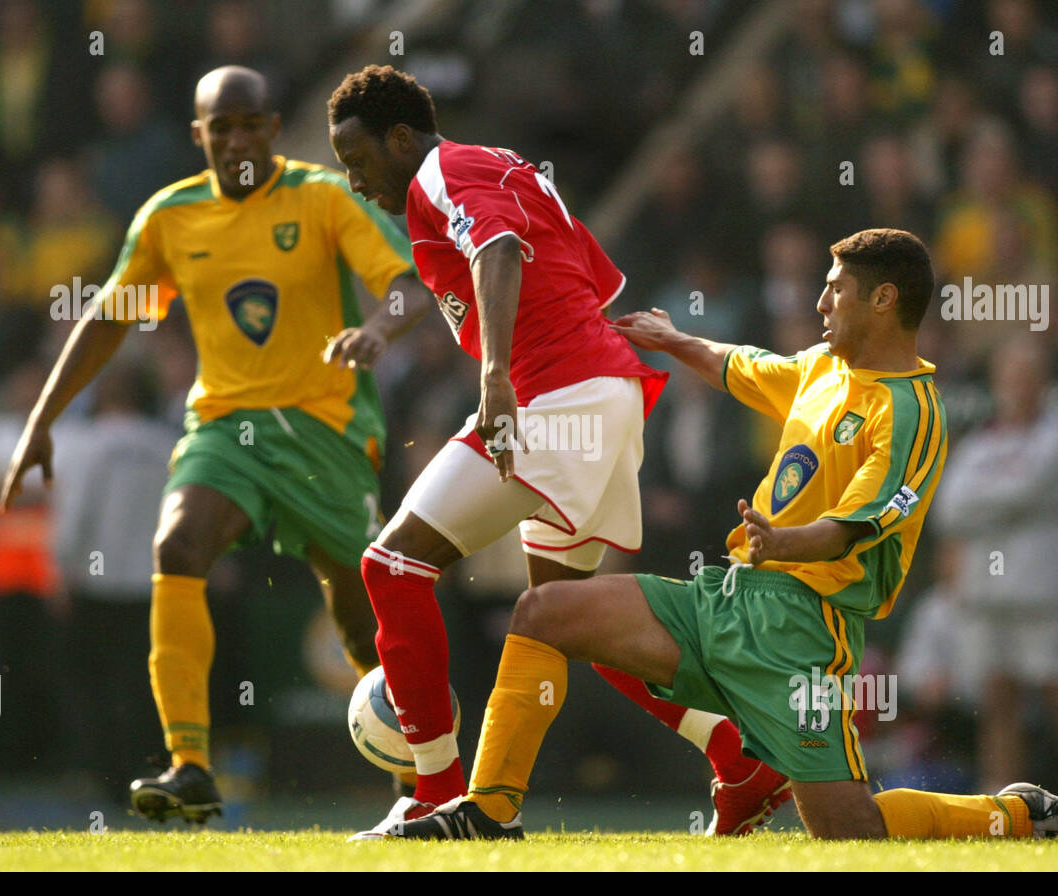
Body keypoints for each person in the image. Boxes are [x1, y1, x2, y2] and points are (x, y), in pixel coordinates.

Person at [393, 227, 1058, 841]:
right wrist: (673, 339)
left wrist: (782, 542)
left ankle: (1018, 814)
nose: (819, 301)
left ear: (884, 298)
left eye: (834, 288)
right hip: (727, 600)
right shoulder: (823, 368)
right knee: (544, 614)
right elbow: (741, 366)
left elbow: (852, 530)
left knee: (850, 830)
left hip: (803, 635)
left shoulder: (909, 411)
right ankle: (488, 812)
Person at [328, 64, 791, 839]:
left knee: (391, 565)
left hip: (551, 393)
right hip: (601, 390)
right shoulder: (499, 163)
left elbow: (500, 252)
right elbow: (586, 277)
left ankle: (436, 791)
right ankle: (737, 755)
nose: (354, 180)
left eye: (358, 160)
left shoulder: (443, 170)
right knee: (568, 620)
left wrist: (496, 374)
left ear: (400, 138)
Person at [0, 66, 432, 823]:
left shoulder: (322, 196)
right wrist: (41, 421)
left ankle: (416, 762)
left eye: (249, 123)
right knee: (177, 546)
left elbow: (406, 283)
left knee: (358, 613)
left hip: (325, 429)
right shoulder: (171, 218)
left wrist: (378, 329)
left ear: (271, 127)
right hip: (225, 425)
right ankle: (191, 764)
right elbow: (107, 320)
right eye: (218, 127)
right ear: (198, 135)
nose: (235, 139)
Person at [932, 338, 1058, 815]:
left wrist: (988, 502)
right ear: (997, 384)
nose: (1017, 386)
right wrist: (998, 502)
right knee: (998, 702)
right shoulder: (978, 445)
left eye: (1027, 376)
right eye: (1009, 377)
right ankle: (1000, 807)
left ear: (1044, 383)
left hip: (1046, 597)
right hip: (988, 598)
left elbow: (1023, 489)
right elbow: (949, 509)